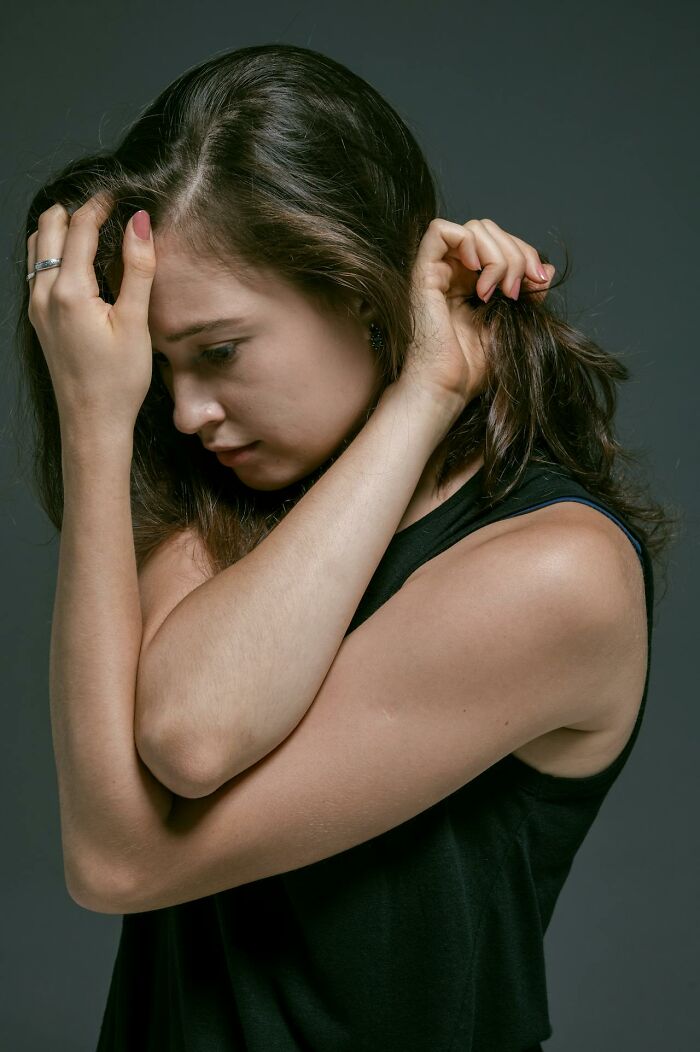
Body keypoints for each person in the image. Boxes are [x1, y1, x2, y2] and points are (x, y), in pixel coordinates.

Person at [16, 42, 678, 1052]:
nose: (187, 411)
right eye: (157, 369)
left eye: (222, 351)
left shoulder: (555, 573)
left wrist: (425, 394)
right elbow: (195, 726)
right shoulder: (214, 503)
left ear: (362, 291)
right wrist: (99, 425)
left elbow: (122, 851)